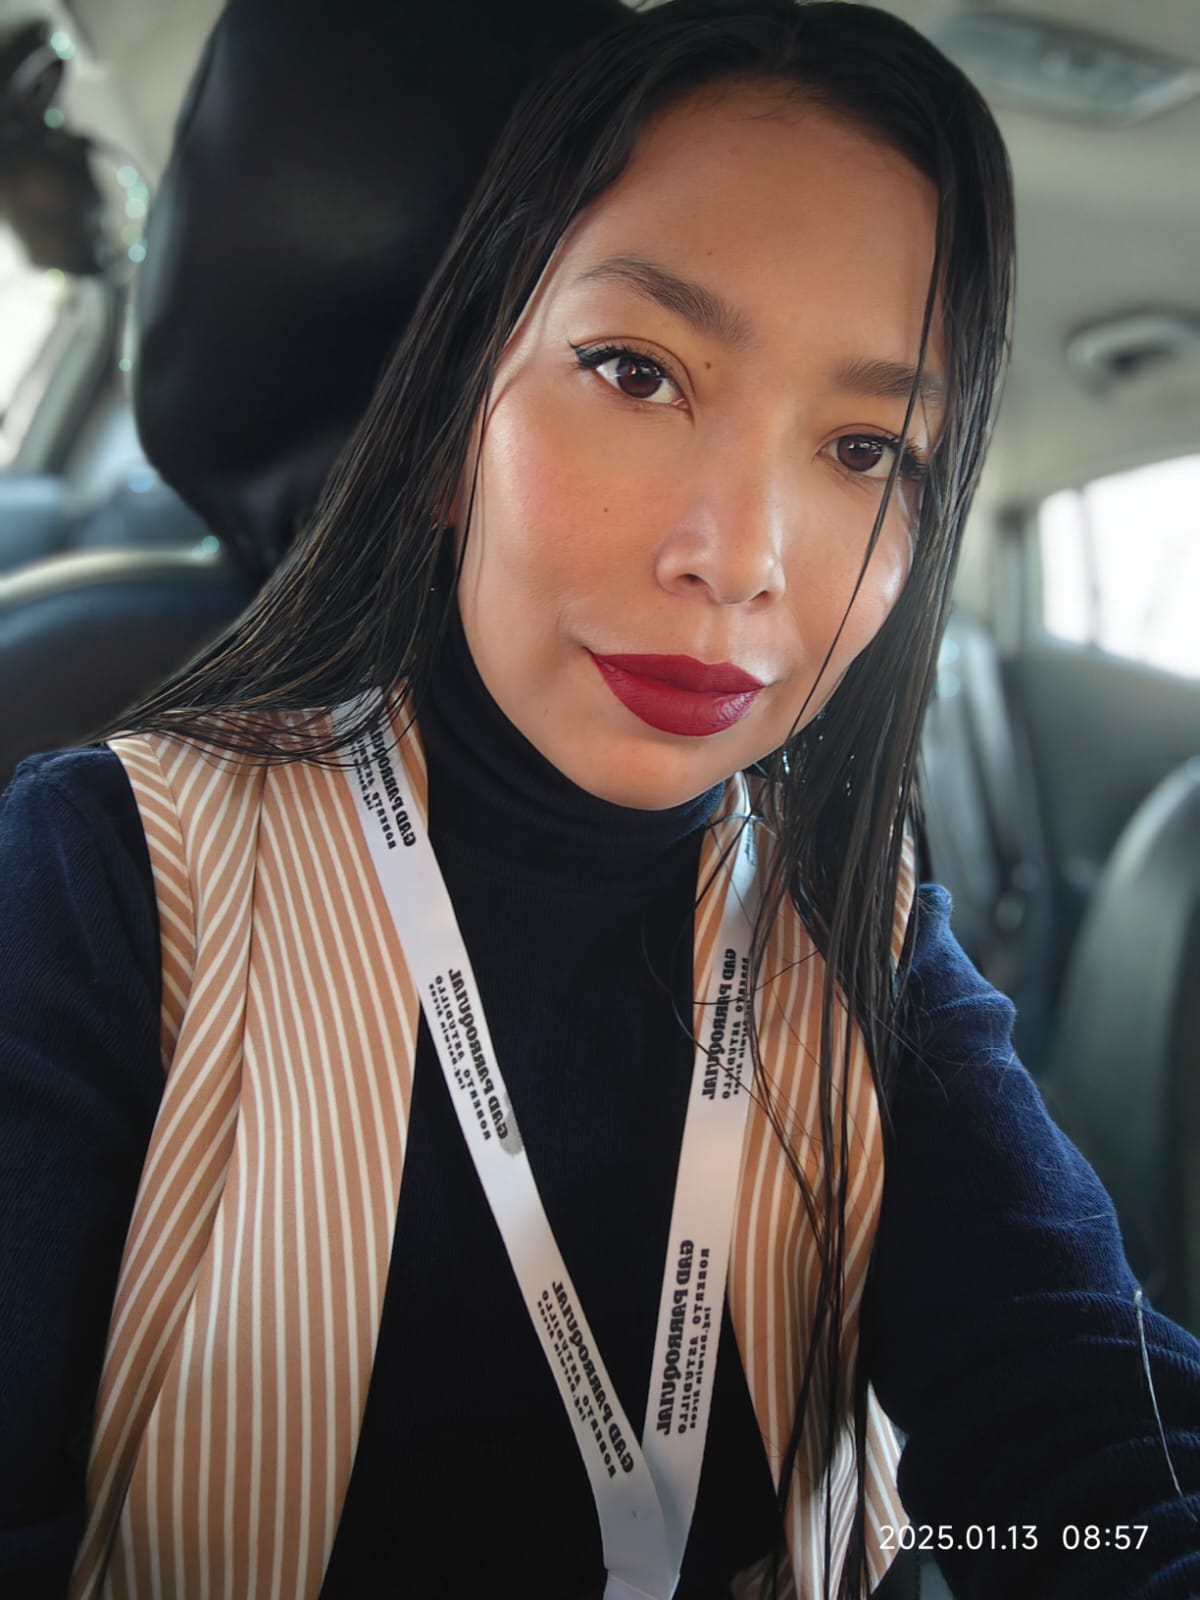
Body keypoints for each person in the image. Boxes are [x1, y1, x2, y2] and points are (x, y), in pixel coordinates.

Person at [2, 2, 1199, 1597]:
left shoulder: (858, 946)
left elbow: (1095, 1462)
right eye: (638, 373)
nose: (739, 557)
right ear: (451, 430)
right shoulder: (101, 882)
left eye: (864, 447)